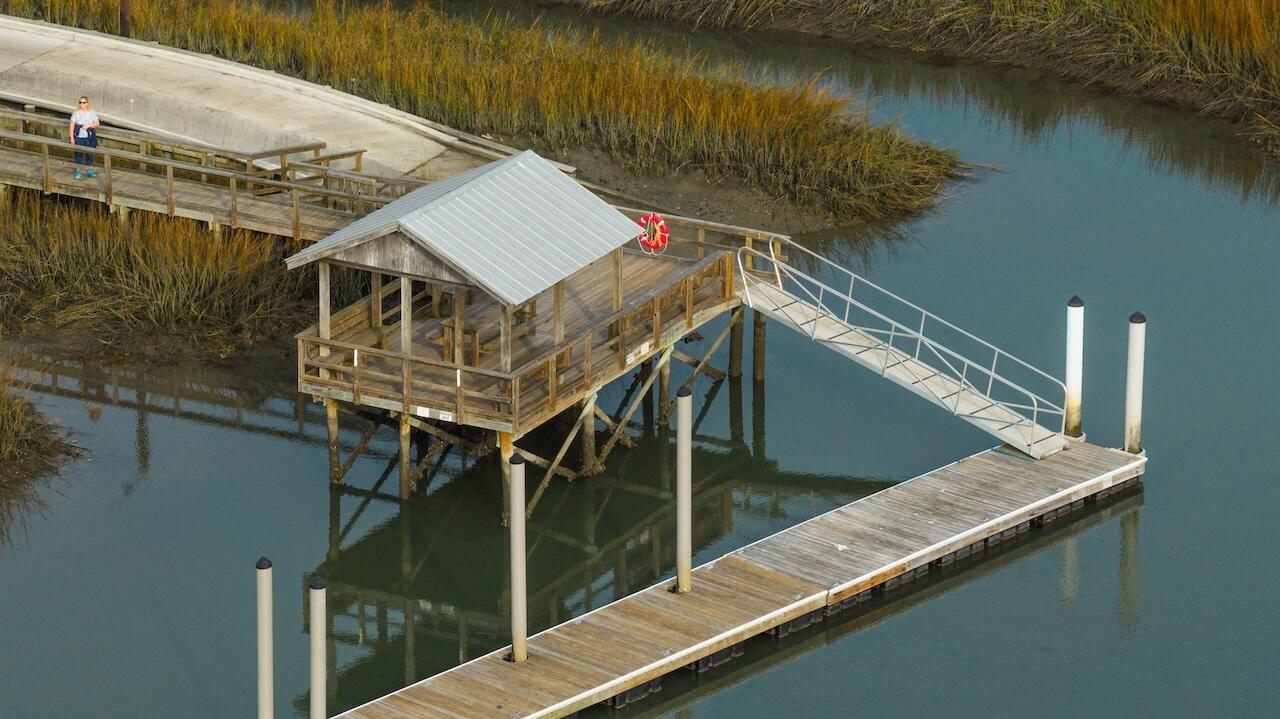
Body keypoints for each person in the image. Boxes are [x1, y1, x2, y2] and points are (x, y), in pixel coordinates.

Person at [68, 96, 100, 180]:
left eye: (84, 102)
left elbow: (97, 123)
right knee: (78, 154)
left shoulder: (92, 112)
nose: (82, 104)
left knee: (90, 154)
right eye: (80, 102)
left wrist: (89, 125)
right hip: (79, 137)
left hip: (90, 137)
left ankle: (89, 170)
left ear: (87, 103)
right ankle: (78, 170)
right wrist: (72, 138)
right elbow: (71, 125)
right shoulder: (76, 113)